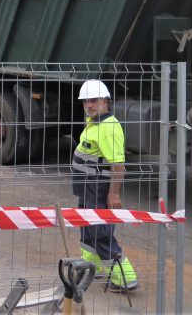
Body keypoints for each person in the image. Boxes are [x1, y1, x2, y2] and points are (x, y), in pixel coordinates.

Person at [71, 79, 138, 293]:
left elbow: (118, 165)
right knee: (87, 228)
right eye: (85, 102)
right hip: (87, 186)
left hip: (98, 188)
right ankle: (89, 265)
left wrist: (113, 195)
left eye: (93, 100)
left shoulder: (108, 127)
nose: (89, 105)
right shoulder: (95, 122)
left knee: (100, 232)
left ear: (105, 101)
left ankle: (125, 278)